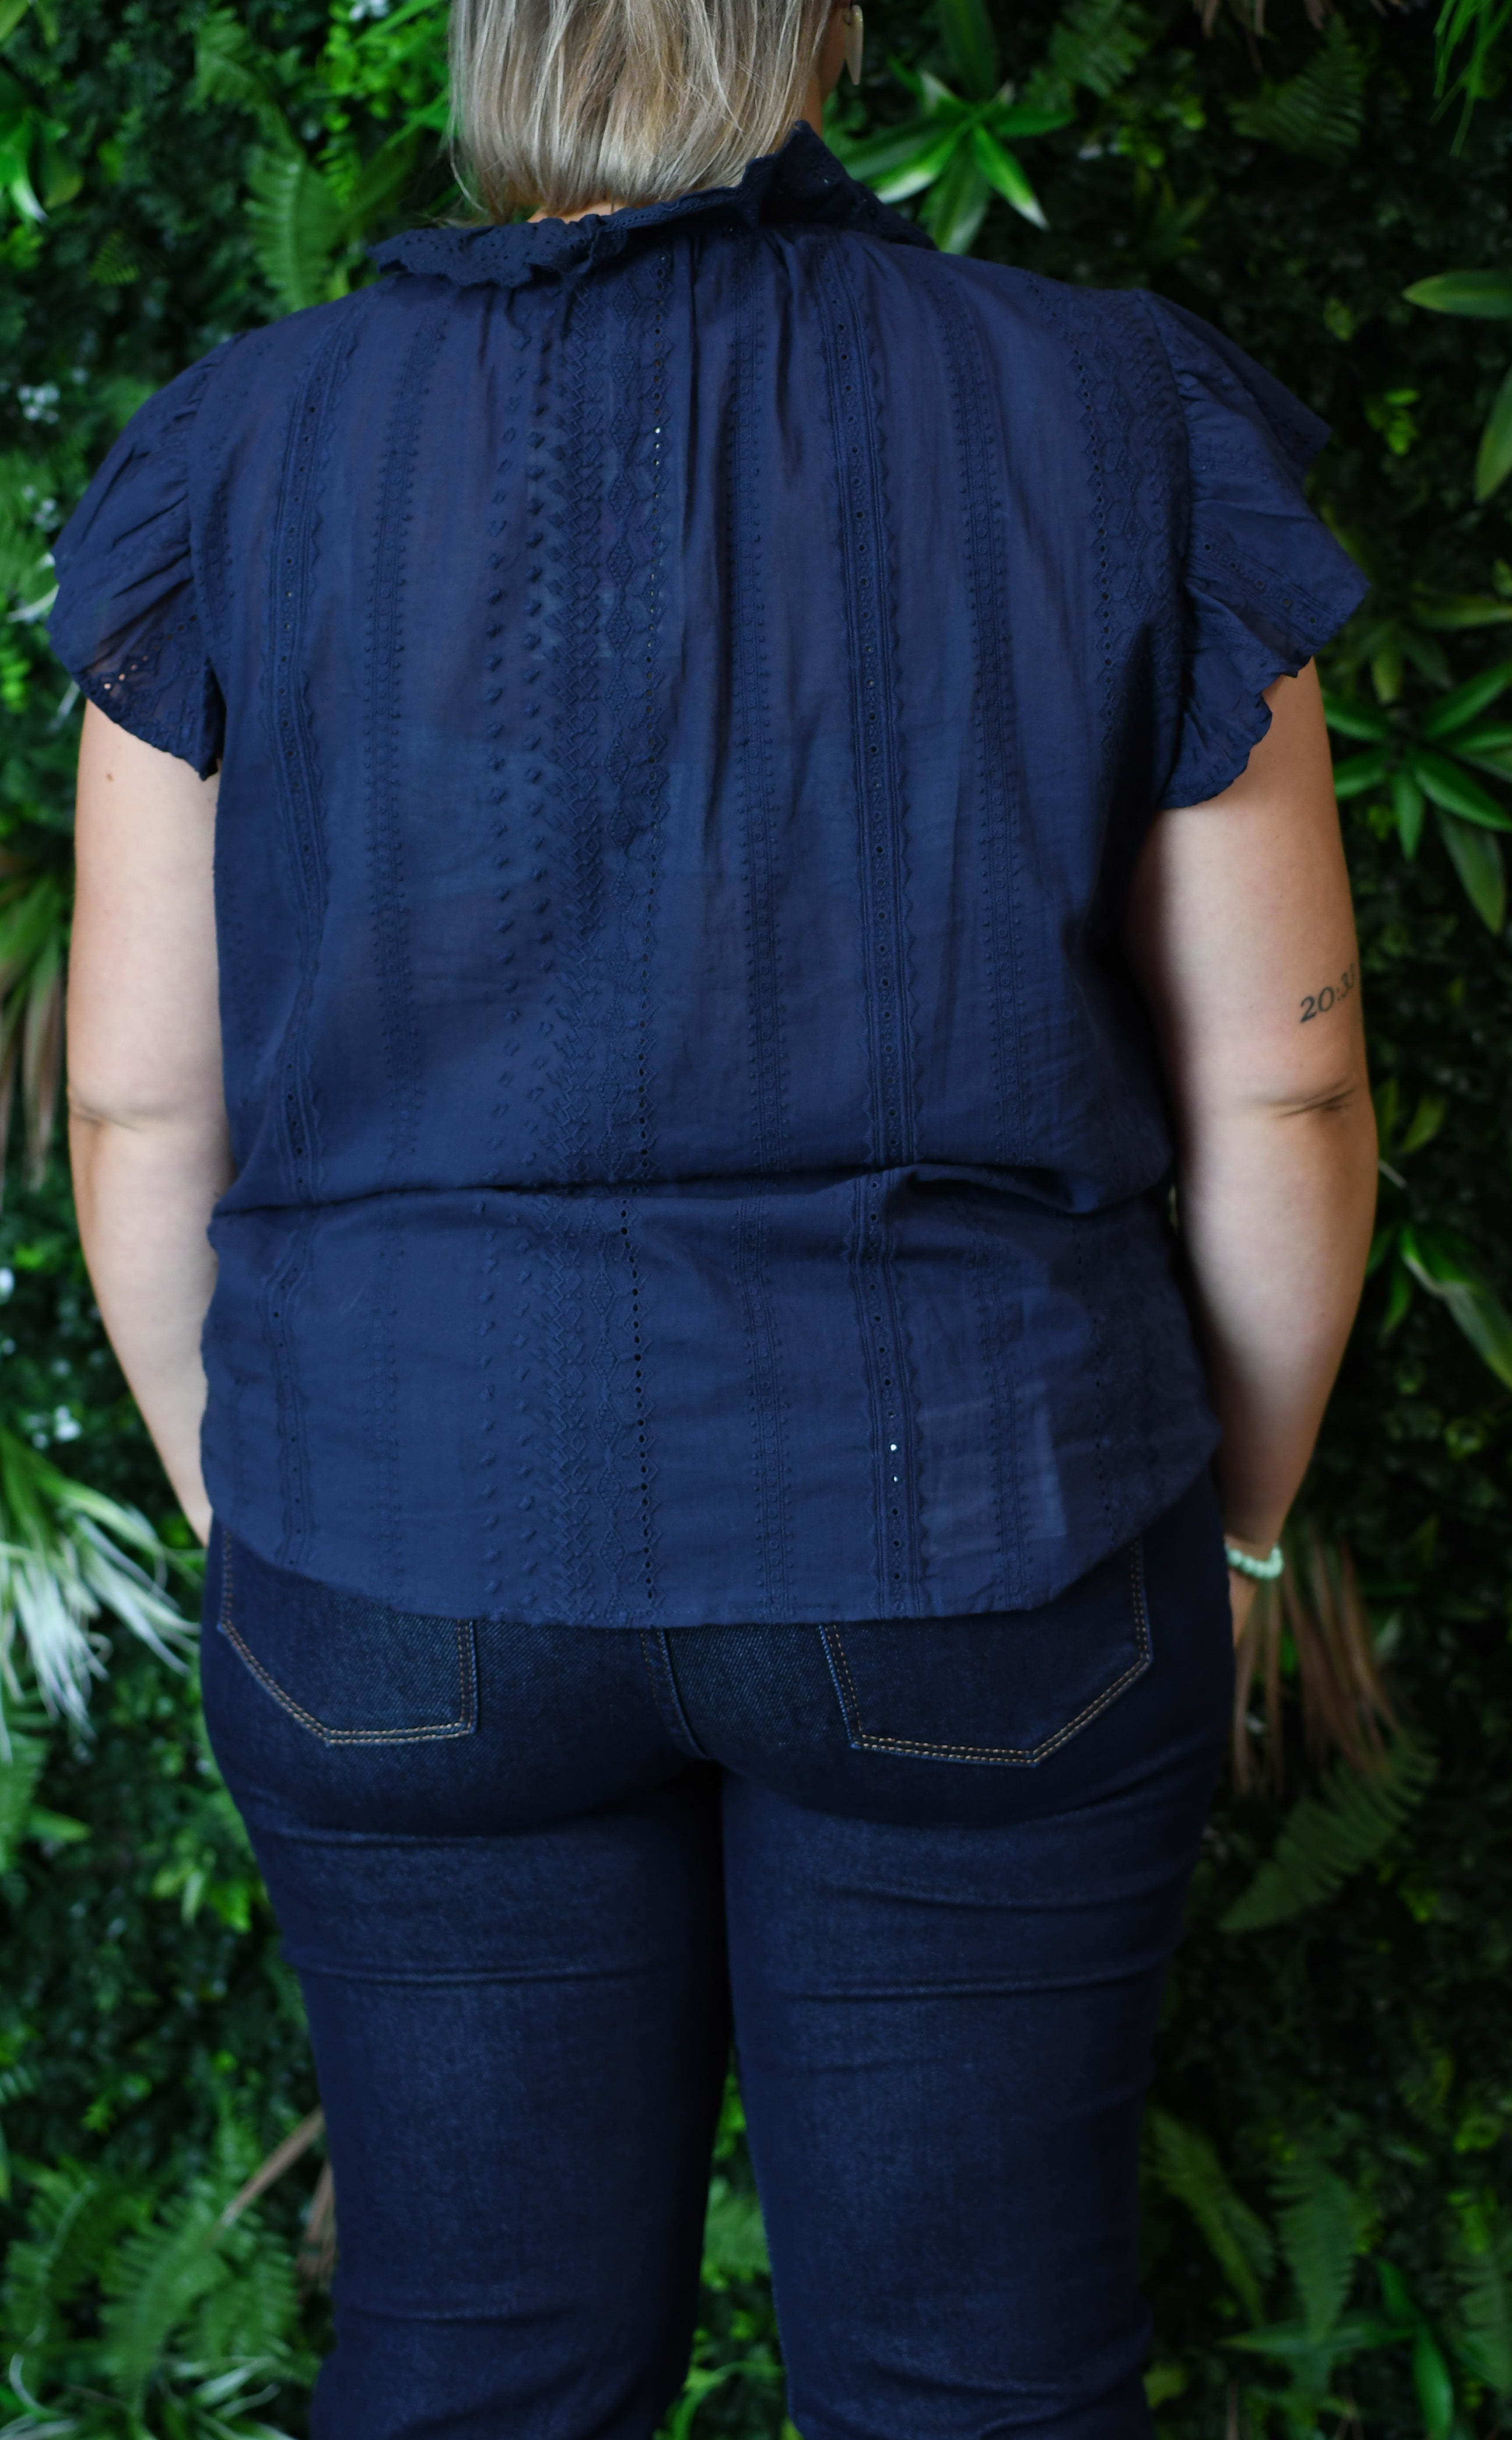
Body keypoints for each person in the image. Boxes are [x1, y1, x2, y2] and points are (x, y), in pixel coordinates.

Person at [53, 0, 1377, 2431]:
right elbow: (1283, 1085)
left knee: (480, 2370)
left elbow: (139, 1106)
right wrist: (1241, 1525)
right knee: (982, 2384)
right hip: (987, 1531)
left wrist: (282, 1515)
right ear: (824, 32)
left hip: (402, 1541)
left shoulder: (244, 446)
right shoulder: (1109, 408)